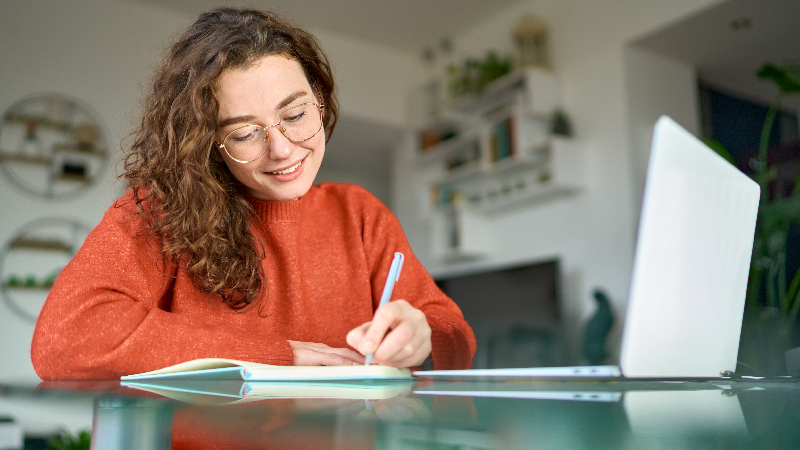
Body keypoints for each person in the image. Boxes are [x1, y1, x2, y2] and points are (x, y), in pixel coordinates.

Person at [30, 7, 476, 380]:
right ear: (206, 140)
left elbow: (454, 334)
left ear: (319, 96)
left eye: (297, 113)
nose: (282, 149)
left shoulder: (359, 214)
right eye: (244, 133)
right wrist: (280, 357)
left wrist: (422, 335)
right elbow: (65, 337)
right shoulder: (160, 210)